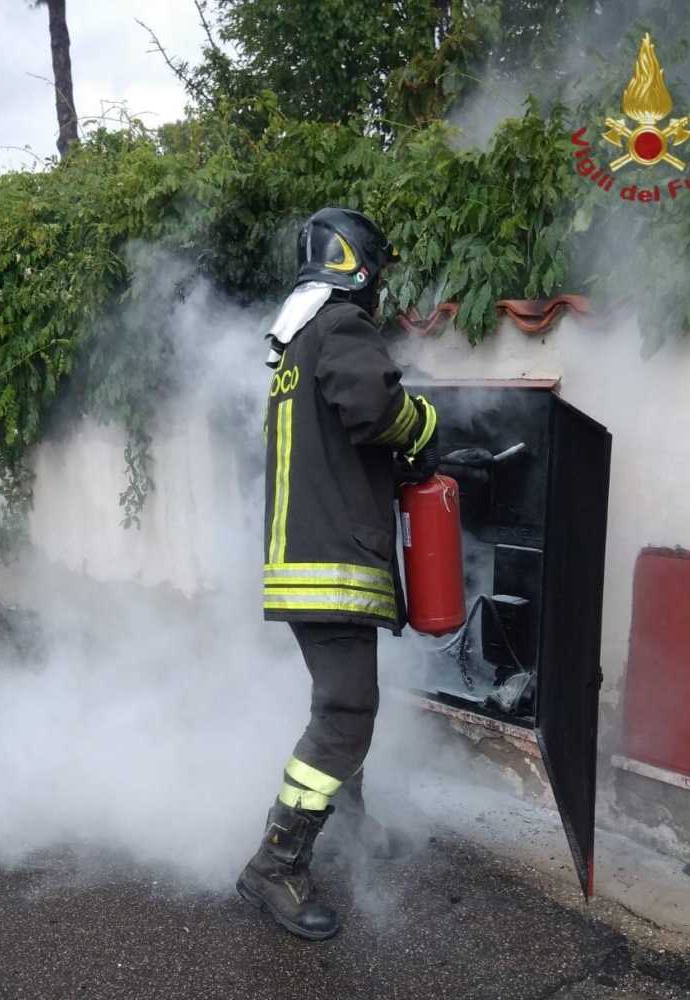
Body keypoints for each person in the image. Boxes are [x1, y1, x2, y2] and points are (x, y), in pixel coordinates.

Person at [236, 207, 441, 940]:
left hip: (302, 563)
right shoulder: (343, 329)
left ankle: (347, 829)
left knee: (343, 703)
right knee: (345, 715)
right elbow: (375, 409)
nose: (380, 289)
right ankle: (275, 865)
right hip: (332, 566)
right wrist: (425, 427)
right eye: (377, 272)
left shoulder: (295, 343)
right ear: (359, 266)